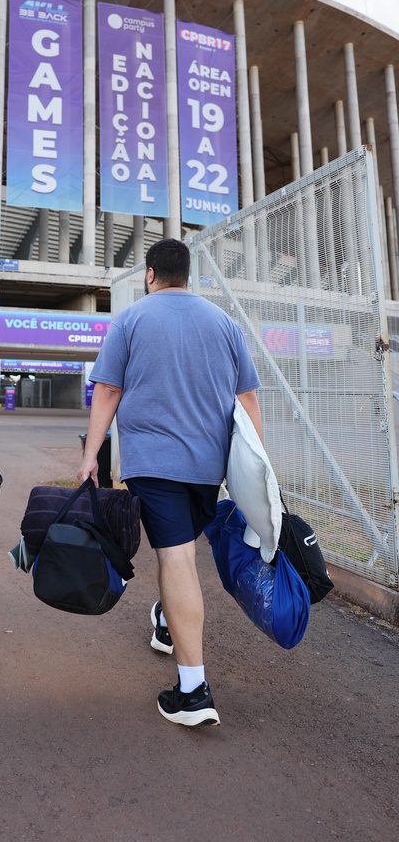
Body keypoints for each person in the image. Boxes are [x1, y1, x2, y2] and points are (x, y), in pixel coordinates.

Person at [78, 238, 262, 729]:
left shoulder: (131, 319)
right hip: (209, 467)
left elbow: (108, 389)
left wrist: (91, 455)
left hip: (153, 464)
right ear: (188, 275)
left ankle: (194, 692)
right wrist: (257, 471)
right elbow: (247, 399)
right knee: (179, 550)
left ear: (150, 274)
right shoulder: (223, 323)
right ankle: (166, 620)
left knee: (176, 557)